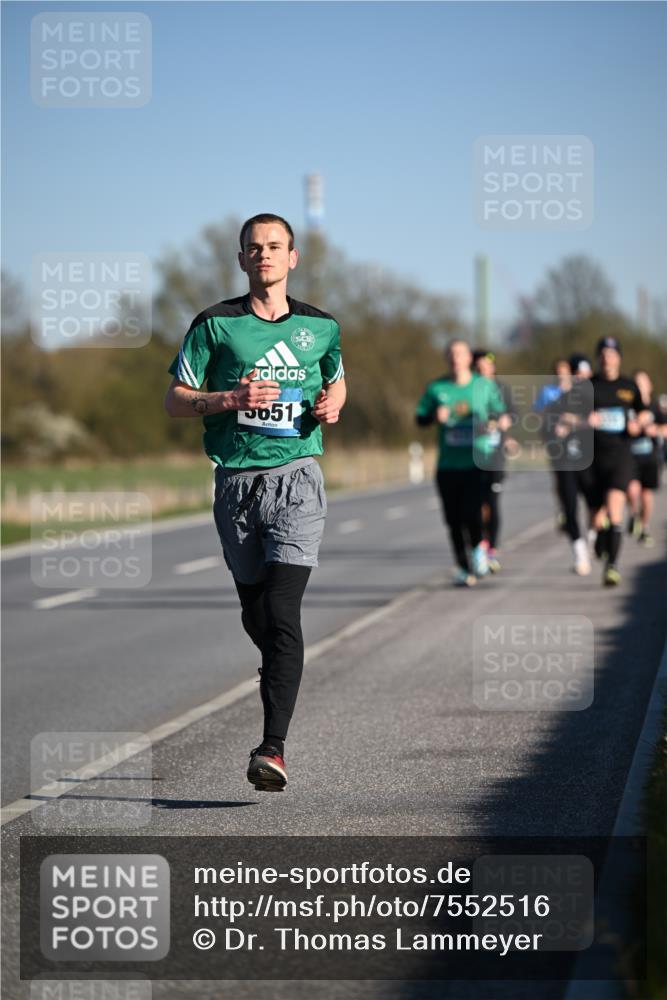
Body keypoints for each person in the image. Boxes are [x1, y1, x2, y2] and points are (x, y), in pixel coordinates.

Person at [164, 213, 346, 791]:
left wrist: (333, 404)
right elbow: (175, 399)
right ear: (241, 259)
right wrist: (229, 398)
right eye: (253, 247)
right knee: (258, 613)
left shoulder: (321, 327)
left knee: (283, 612)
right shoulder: (215, 325)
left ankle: (272, 748)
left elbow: (337, 379)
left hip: (297, 480)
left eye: (274, 246)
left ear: (292, 257)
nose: (264, 254)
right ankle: (277, 668)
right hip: (236, 485)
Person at [416, 339, 508, 586]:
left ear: (469, 358)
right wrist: (434, 416)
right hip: (448, 465)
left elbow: (500, 413)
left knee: (472, 511)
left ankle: (478, 549)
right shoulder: (437, 388)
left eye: (460, 353)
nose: (455, 358)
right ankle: (463, 566)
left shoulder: (484, 385)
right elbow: (420, 418)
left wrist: (492, 421)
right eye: (451, 354)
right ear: (447, 358)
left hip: (477, 462)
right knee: (453, 519)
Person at [588, 336, 650, 586]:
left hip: (620, 455)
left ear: (619, 358)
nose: (607, 358)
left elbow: (644, 411)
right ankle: (601, 534)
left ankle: (612, 566)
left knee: (615, 510)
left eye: (612, 354)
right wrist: (585, 419)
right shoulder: (589, 386)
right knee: (595, 517)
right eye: (603, 354)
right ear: (598, 358)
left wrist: (638, 423)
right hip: (593, 457)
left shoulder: (628, 386)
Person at [543, 353, 596, 575]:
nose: (581, 379)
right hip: (566, 462)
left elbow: (600, 424)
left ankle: (592, 538)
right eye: (577, 375)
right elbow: (545, 431)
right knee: (570, 509)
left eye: (585, 374)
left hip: (592, 462)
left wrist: (575, 422)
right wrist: (555, 432)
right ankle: (579, 552)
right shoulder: (558, 402)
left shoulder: (597, 399)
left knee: (596, 505)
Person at [472, 349, 515, 573]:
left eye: (486, 367)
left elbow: (513, 414)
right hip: (473, 454)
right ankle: (479, 545)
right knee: (477, 505)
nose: (483, 371)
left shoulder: (502, 389)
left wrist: (507, 423)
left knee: (493, 502)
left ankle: (491, 550)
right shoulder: (470, 389)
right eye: (478, 368)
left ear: (493, 367)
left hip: (495, 456)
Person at [626, 369, 665, 547]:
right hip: (630, 456)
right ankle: (634, 514)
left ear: (650, 386)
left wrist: (655, 430)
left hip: (650, 457)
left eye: (643, 383)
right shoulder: (628, 407)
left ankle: (644, 527)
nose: (640, 387)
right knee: (632, 490)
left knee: (646, 494)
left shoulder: (656, 407)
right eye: (637, 384)